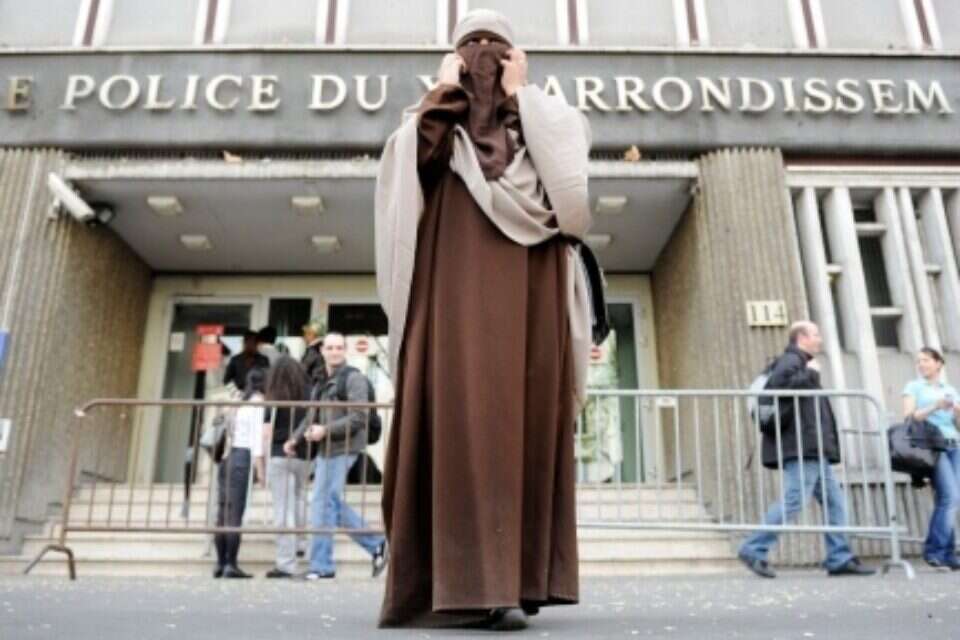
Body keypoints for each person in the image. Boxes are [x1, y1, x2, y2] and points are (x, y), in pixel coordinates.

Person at [374, 8, 594, 630]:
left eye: (494, 48)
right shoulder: (434, 125)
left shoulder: (549, 118)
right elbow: (404, 176)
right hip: (452, 295)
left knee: (523, 421)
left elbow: (572, 203)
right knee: (458, 416)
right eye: (470, 47)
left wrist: (524, 98)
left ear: (516, 60)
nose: (482, 58)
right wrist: (444, 93)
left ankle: (517, 582)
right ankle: (465, 585)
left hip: (532, 291)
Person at [738, 321, 875, 578]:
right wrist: (811, 374)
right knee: (794, 500)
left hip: (812, 447)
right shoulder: (792, 361)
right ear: (802, 337)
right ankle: (753, 548)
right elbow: (778, 389)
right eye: (816, 335)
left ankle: (839, 557)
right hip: (802, 446)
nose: (820, 339)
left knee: (835, 501)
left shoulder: (799, 363)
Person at [285, 332, 387, 580]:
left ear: (345, 350)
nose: (334, 352)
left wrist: (325, 430)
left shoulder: (354, 379)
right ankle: (377, 544)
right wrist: (295, 438)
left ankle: (322, 566)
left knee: (322, 503)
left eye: (339, 347)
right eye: (330, 348)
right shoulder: (322, 381)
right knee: (326, 502)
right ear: (322, 351)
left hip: (344, 447)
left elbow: (359, 417)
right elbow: (312, 416)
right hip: (326, 449)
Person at [902, 346, 960, 571]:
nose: (921, 364)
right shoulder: (914, 387)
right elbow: (909, 417)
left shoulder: (950, 389)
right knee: (950, 497)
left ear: (938, 363)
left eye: (926, 360)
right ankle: (935, 551)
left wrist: (957, 413)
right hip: (932, 447)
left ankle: (948, 553)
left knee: (950, 499)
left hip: (954, 444)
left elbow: (957, 425)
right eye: (919, 361)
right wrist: (935, 406)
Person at [213, 368, 266, 579]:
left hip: (226, 459)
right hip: (242, 458)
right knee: (235, 514)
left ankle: (220, 563)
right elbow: (256, 439)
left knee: (222, 513)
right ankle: (231, 564)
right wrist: (261, 470)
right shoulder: (258, 402)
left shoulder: (238, 403)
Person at [263, 356, 313, 578]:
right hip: (304, 454)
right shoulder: (309, 391)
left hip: (279, 454)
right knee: (300, 499)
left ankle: (286, 563)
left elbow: (266, 431)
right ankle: (302, 544)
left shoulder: (274, 395)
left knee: (284, 509)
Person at [301, 319, 326, 384]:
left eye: (306, 334)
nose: (304, 337)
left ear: (313, 334)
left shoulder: (313, 350)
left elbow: (302, 370)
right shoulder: (322, 347)